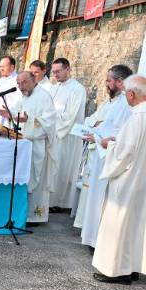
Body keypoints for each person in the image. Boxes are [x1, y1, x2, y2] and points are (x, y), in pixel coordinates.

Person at [92, 75, 146, 284]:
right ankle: (132, 266)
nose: (125, 97)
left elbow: (124, 153)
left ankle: (117, 271)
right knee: (136, 224)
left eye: (126, 94)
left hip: (128, 179)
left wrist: (110, 145)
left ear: (132, 94)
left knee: (120, 223)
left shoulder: (137, 118)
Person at [76, 65, 133, 247]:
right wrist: (94, 131)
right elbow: (100, 122)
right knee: (95, 199)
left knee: (101, 200)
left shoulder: (125, 104)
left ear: (120, 82)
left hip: (108, 155)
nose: (106, 84)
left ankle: (97, 241)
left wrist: (97, 135)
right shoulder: (113, 102)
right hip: (100, 153)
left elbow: (117, 130)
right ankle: (92, 238)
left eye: (109, 80)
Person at [4, 72, 57, 224]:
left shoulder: (44, 96)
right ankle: (21, 214)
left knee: (36, 181)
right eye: (18, 83)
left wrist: (29, 119)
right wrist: (9, 114)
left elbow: (49, 121)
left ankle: (35, 216)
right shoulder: (24, 96)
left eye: (24, 83)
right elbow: (16, 112)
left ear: (33, 80)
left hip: (37, 146)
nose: (21, 87)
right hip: (23, 144)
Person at [48, 58, 87, 211]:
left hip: (66, 135)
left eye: (58, 71)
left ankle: (60, 203)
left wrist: (54, 120)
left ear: (68, 69)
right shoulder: (54, 87)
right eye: (54, 72)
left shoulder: (77, 89)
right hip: (53, 133)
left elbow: (71, 115)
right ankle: (49, 200)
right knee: (52, 168)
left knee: (63, 167)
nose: (55, 75)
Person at [0, 56, 21, 127]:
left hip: (6, 119)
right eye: (0, 67)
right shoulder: (0, 81)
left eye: (3, 66)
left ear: (12, 67)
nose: (1, 69)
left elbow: (18, 100)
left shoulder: (18, 80)